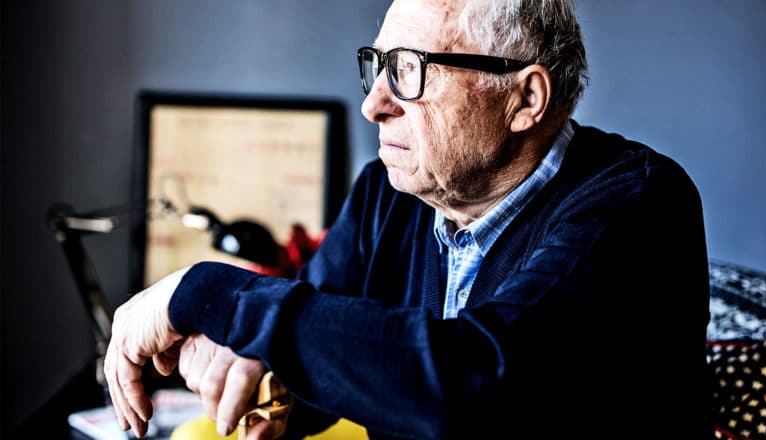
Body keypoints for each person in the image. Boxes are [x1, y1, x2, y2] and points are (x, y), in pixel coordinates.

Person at [104, 0, 714, 438]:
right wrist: (273, 388)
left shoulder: (637, 206)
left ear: (525, 99)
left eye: (410, 70)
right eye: (379, 65)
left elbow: (473, 382)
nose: (374, 104)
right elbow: (318, 355)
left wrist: (209, 293)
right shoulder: (387, 194)